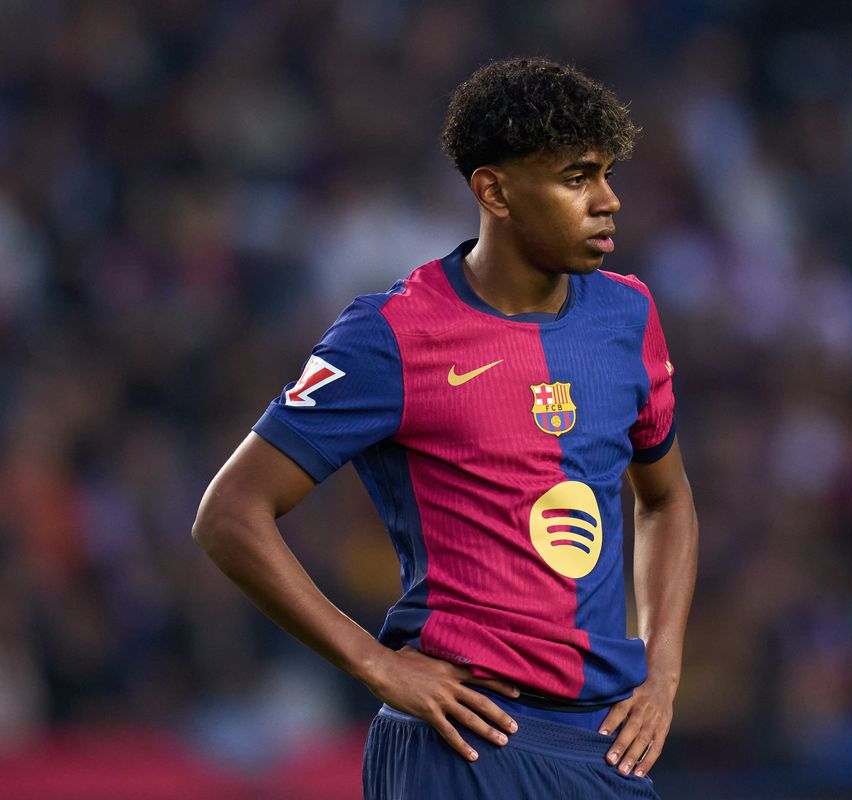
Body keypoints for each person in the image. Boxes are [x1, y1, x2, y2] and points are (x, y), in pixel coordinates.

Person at [192, 57, 698, 799]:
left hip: (603, 750)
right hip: (462, 741)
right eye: (576, 178)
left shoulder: (628, 314)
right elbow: (229, 514)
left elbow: (667, 500)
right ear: (493, 191)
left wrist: (662, 672)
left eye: (607, 175)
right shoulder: (392, 334)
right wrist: (374, 663)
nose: (608, 200)